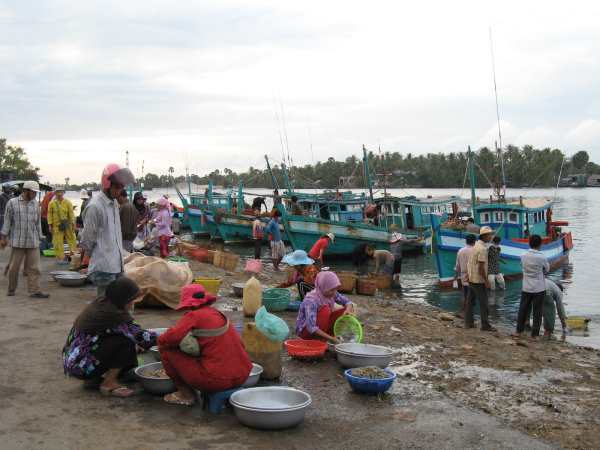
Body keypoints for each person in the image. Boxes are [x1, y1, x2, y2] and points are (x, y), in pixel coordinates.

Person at [158, 284, 252, 406]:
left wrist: (158, 337)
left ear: (190, 304)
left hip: (216, 380)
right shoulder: (218, 314)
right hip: (243, 375)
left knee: (166, 349)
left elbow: (168, 339)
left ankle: (185, 394)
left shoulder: (194, 315)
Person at [62, 277, 156, 397]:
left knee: (126, 343)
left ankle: (94, 378)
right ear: (122, 299)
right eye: (130, 300)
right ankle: (108, 383)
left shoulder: (103, 302)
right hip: (81, 365)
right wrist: (170, 338)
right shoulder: (112, 314)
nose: (133, 303)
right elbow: (141, 336)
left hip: (75, 360)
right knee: (126, 342)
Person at [81, 163, 135, 296]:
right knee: (106, 304)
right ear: (107, 184)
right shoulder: (95, 206)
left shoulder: (114, 204)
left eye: (122, 187)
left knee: (121, 301)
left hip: (117, 263)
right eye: (117, 187)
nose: (119, 191)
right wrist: (87, 257)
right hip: (104, 265)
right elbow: (88, 237)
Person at [0, 181, 49, 298]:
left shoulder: (35, 204)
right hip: (18, 242)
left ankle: (34, 291)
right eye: (33, 192)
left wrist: (41, 236)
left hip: (33, 242)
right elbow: (7, 222)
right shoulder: (12, 203)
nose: (35, 195)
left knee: (35, 268)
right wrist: (3, 237)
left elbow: (37, 224)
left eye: (36, 193)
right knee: (13, 268)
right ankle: (11, 289)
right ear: (26, 191)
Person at [296, 271, 355, 342]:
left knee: (345, 311)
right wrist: (331, 339)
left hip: (321, 326)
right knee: (325, 310)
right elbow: (311, 328)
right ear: (323, 286)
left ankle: (327, 336)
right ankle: (321, 338)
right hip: (306, 332)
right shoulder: (311, 300)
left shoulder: (332, 292)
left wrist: (347, 310)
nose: (334, 292)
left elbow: (348, 302)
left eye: (336, 289)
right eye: (331, 290)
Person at [515, 234, 550, 338]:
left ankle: (518, 331)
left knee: (523, 309)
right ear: (540, 244)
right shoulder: (542, 256)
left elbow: (522, 266)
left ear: (529, 243)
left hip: (526, 287)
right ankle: (534, 334)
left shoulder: (523, 255)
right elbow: (547, 269)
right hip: (539, 288)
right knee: (537, 311)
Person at [464, 226, 496, 331]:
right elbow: (481, 267)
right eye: (490, 235)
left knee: (469, 302)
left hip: (472, 278)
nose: (491, 236)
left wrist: (468, 275)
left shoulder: (475, 245)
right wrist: (486, 281)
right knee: (484, 303)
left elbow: (470, 263)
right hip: (479, 280)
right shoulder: (482, 249)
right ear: (485, 236)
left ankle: (468, 323)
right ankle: (485, 325)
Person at [48, 186, 77, 263]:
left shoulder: (68, 202)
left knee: (72, 239)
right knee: (57, 242)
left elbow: (71, 214)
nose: (59, 194)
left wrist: (73, 224)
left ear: (64, 193)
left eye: (61, 192)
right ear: (55, 193)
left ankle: (73, 255)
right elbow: (49, 214)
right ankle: (60, 258)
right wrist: (50, 225)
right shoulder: (52, 203)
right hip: (56, 225)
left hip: (67, 223)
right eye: (57, 192)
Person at [454, 234, 476, 317]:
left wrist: (455, 276)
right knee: (473, 296)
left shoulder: (460, 251)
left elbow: (457, 266)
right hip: (474, 277)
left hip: (464, 276)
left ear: (466, 241)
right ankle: (467, 314)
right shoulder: (476, 250)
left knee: (465, 294)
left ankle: (463, 311)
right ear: (474, 241)